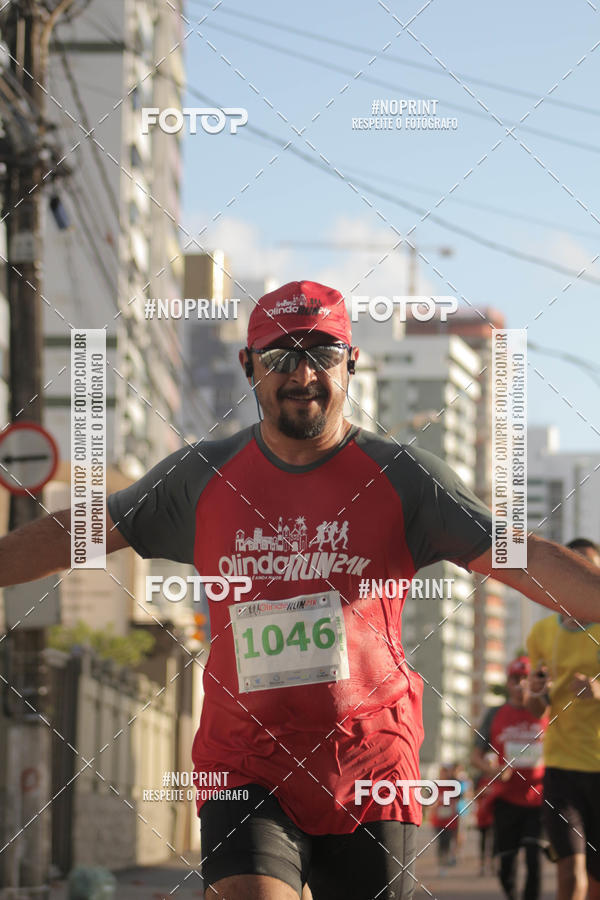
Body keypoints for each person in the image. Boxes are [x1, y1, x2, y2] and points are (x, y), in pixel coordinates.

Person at [1, 281, 599, 900]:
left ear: (351, 363)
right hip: (245, 760)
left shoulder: (405, 479)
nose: (302, 373)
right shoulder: (200, 478)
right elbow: (81, 529)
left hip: (370, 764)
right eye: (280, 356)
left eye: (322, 354)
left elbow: (522, 557)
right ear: (249, 366)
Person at [526, 538, 600, 900]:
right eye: (574, 566)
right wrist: (536, 691)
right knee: (570, 869)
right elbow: (535, 708)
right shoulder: (541, 634)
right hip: (560, 767)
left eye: (590, 568)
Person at [472, 656, 548, 900]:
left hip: (538, 800)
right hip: (505, 800)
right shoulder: (495, 714)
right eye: (516, 678)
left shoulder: (545, 712)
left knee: (534, 858)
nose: (521, 684)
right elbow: (475, 756)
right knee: (507, 866)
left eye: (526, 678)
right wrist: (493, 770)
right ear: (508, 682)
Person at [429, 764, 459, 875]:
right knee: (440, 842)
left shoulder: (453, 786)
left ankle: (445, 861)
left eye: (445, 772)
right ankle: (441, 863)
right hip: (438, 820)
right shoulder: (435, 786)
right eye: (442, 772)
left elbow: (456, 801)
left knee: (447, 841)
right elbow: (429, 802)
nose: (444, 774)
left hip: (450, 820)